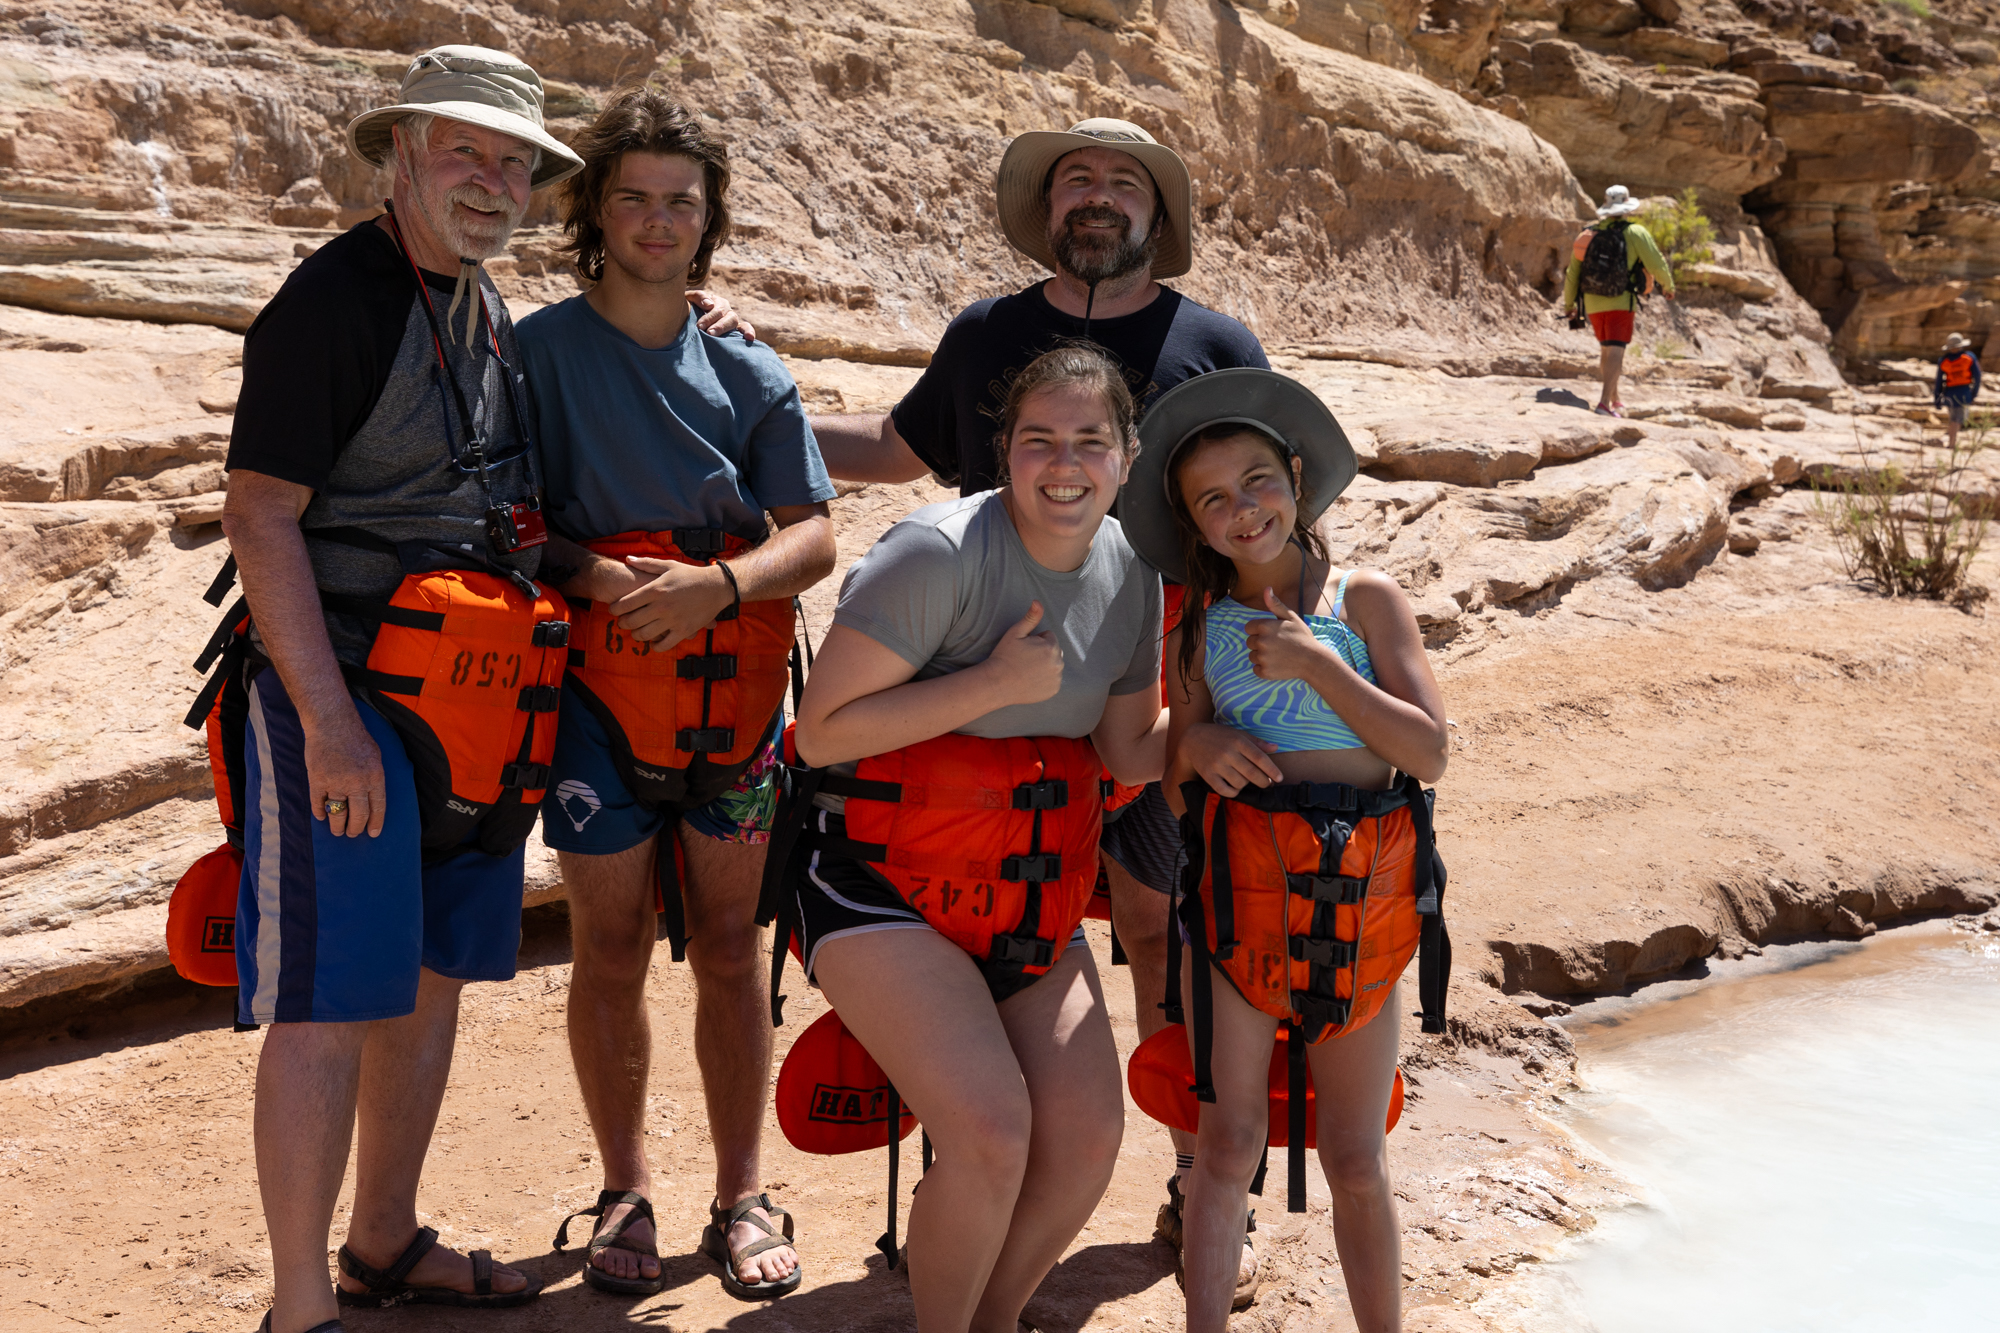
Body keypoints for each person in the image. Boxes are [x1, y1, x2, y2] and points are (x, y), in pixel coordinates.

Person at [809, 118, 1269, 1294]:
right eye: (1076, 180)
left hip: (1134, 668)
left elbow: (1259, 503)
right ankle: (965, 1188)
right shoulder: (988, 334)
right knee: (984, 1050)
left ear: (1155, 212)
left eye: (1122, 181)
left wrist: (1262, 679)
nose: (1097, 197)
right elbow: (897, 448)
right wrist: (746, 407)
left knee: (1165, 926)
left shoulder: (1215, 342)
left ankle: (1189, 1180)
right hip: (972, 691)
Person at [516, 89, 836, 1301]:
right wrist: (601, 577)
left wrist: (715, 586)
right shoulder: (534, 354)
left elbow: (812, 539)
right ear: (595, 208)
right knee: (603, 948)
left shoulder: (747, 364)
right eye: (634, 197)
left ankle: (740, 1191)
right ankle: (625, 1188)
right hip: (601, 700)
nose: (657, 220)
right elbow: (509, 517)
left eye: (681, 202)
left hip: (734, 703)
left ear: (710, 223)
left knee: (725, 950)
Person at [779, 345, 1165, 1332]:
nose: (1064, 464)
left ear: (1128, 453)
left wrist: (1248, 718)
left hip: (1020, 887)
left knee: (1083, 1139)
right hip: (874, 883)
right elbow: (821, 731)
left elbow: (1127, 749)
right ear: (1004, 452)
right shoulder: (936, 552)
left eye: (1090, 440)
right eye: (1038, 439)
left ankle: (986, 1319)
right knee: (991, 1131)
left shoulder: (1132, 578)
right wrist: (990, 684)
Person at [1120, 369, 1449, 1333]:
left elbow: (1428, 750)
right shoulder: (1205, 628)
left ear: (1298, 478)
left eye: (1256, 480)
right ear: (1194, 524)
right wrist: (1199, 744)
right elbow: (1181, 781)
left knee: (1355, 1150)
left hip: (1368, 893)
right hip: (1244, 899)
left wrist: (1316, 663)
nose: (1242, 509)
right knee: (1228, 1142)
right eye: (1212, 499)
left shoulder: (1365, 600)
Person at [1562, 184, 1675, 418]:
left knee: (1607, 349)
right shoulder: (1635, 232)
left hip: (1592, 302)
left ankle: (1615, 399)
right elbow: (1655, 262)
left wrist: (1569, 304)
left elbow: (1573, 272)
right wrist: (1668, 285)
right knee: (1616, 350)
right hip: (1620, 299)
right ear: (1626, 208)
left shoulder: (1588, 235)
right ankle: (1604, 403)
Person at [1935, 332, 1983, 448]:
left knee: (1953, 418)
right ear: (1961, 345)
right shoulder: (1969, 357)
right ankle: (1952, 444)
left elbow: (1939, 381)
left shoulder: (1944, 361)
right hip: (1964, 392)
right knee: (1958, 419)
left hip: (1949, 392)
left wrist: (1937, 398)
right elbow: (1977, 376)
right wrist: (1974, 393)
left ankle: (1951, 440)